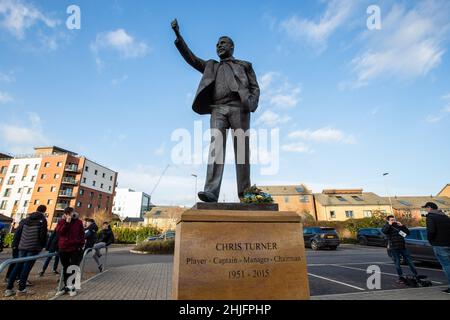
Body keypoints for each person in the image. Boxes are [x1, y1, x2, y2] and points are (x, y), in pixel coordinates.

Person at [171, 19, 260, 202]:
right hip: (218, 109)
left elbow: (255, 87)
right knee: (216, 148)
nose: (219, 46)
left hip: (239, 108)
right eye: (217, 44)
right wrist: (179, 36)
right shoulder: (211, 65)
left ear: (232, 47)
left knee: (242, 150)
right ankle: (211, 191)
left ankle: (245, 193)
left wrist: (251, 102)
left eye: (223, 43)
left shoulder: (245, 65)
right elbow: (192, 58)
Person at [4, 205, 48, 297]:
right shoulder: (42, 220)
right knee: (26, 268)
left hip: (22, 246)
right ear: (44, 211)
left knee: (17, 266)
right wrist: (42, 246)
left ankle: (9, 288)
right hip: (33, 247)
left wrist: (15, 244)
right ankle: (21, 289)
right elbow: (42, 235)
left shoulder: (26, 219)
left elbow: (18, 232)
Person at [382, 215, 418, 284]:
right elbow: (384, 231)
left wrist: (402, 226)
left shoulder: (398, 226)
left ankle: (416, 275)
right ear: (388, 220)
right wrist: (389, 225)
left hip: (402, 247)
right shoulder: (387, 226)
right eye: (391, 220)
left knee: (410, 261)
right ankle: (401, 277)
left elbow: (407, 233)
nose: (393, 221)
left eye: (394, 219)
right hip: (394, 248)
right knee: (397, 263)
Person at [56, 207, 84, 294]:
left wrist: (80, 244)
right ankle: (67, 286)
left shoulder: (78, 222)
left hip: (75, 248)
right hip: (64, 247)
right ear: (65, 214)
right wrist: (67, 223)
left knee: (73, 267)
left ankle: (71, 286)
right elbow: (60, 232)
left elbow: (82, 234)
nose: (69, 215)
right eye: (67, 213)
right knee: (66, 267)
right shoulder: (61, 222)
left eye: (71, 213)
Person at [424, 202, 450, 294]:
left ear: (430, 208)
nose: (425, 210)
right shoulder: (445, 216)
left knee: (447, 265)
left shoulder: (430, 217)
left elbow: (431, 231)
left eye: (426, 208)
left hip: (440, 244)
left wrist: (430, 241)